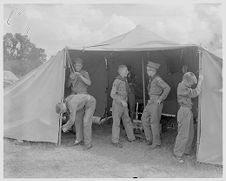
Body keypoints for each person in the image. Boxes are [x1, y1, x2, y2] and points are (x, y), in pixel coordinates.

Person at [173, 72, 204, 163]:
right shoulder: (182, 86)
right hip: (184, 111)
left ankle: (186, 151)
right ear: (186, 81)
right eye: (190, 83)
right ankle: (177, 155)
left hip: (187, 111)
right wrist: (200, 82)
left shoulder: (185, 86)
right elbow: (195, 93)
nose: (191, 85)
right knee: (183, 134)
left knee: (190, 132)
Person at [141, 61, 171, 149]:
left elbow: (167, 88)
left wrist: (160, 99)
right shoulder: (152, 79)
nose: (147, 72)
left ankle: (156, 142)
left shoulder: (157, 79)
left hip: (156, 102)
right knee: (144, 118)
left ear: (152, 70)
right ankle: (149, 138)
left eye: (148, 70)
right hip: (150, 101)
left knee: (154, 122)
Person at [66, 57, 91, 144]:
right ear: (74, 65)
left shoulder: (85, 73)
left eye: (79, 65)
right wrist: (71, 78)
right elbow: (68, 85)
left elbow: (89, 83)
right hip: (74, 97)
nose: (78, 66)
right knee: (77, 119)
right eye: (76, 65)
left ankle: (85, 139)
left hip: (83, 97)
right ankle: (79, 138)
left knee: (85, 120)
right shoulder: (72, 73)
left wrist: (80, 76)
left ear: (82, 65)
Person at [110, 65, 136, 148]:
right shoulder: (117, 80)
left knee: (127, 120)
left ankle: (131, 138)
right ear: (121, 72)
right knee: (116, 122)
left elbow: (126, 91)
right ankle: (115, 141)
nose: (127, 72)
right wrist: (121, 101)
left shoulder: (124, 80)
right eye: (126, 71)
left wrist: (125, 99)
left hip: (124, 103)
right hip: (118, 103)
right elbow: (112, 94)